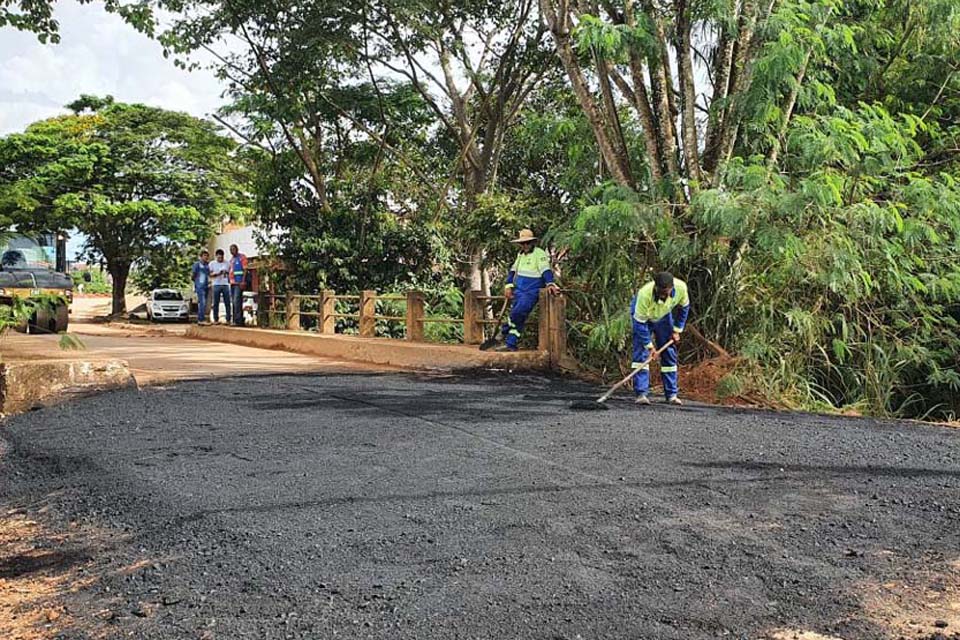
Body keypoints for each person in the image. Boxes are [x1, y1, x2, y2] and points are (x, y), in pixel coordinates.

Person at [631, 271, 690, 405]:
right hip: (644, 319)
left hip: (663, 316)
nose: (663, 294)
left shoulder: (681, 288)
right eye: (660, 291)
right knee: (641, 353)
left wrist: (677, 330)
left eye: (666, 291)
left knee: (669, 351)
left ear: (672, 288)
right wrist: (649, 346)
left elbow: (684, 308)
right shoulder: (644, 295)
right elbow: (639, 324)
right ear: (655, 287)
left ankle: (671, 395)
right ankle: (641, 394)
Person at [498, 229, 559, 351]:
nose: (525, 245)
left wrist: (550, 283)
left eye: (527, 243)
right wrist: (508, 285)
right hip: (519, 289)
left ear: (532, 242)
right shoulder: (520, 255)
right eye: (522, 243)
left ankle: (504, 330)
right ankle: (511, 343)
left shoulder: (539, 254)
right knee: (519, 317)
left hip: (532, 290)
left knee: (517, 313)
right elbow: (513, 271)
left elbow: (545, 270)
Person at [209, 248, 232, 324]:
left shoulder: (227, 263)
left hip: (225, 284)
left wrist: (226, 273)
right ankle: (216, 319)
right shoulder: (212, 264)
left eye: (221, 257)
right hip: (216, 284)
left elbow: (230, 272)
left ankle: (228, 319)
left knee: (227, 302)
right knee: (216, 302)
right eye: (218, 257)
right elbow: (210, 274)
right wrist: (218, 273)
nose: (220, 259)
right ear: (216, 256)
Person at [228, 244, 247, 327]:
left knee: (237, 301)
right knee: (235, 302)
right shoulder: (231, 260)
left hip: (239, 283)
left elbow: (245, 269)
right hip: (232, 283)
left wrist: (243, 281)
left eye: (233, 249)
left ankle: (238, 320)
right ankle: (237, 319)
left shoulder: (242, 257)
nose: (232, 251)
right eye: (231, 249)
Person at [191, 249, 211, 324]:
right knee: (202, 302)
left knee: (205, 303)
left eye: (207, 256)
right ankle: (201, 319)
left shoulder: (207, 266)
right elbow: (193, 275)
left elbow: (209, 275)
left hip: (206, 286)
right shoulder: (197, 265)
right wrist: (197, 283)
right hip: (200, 286)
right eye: (204, 256)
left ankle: (202, 318)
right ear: (201, 256)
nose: (206, 257)